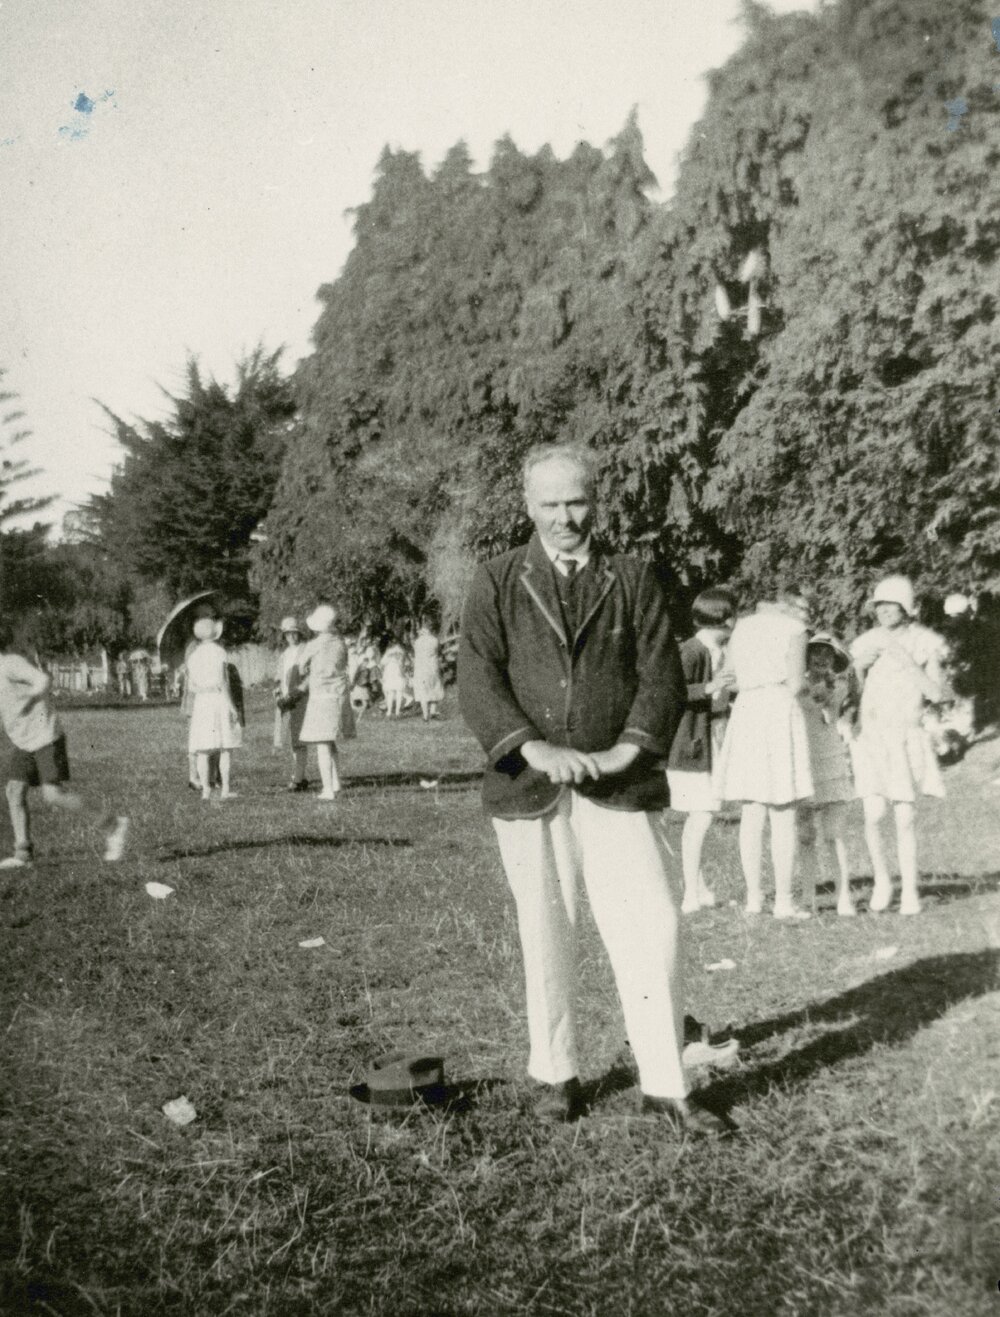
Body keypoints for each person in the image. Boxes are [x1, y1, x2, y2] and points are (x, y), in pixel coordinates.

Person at [459, 442, 732, 1135]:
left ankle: (665, 1082)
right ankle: (556, 1073)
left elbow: (661, 677)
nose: (564, 517)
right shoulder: (496, 579)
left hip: (621, 782)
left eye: (576, 501)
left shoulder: (634, 577)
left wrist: (623, 752)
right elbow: (479, 679)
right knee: (545, 928)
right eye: (549, 503)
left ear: (595, 502)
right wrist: (535, 748)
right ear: (528, 506)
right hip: (528, 783)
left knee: (653, 924)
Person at [714, 588, 815, 919]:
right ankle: (783, 901)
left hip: (747, 709)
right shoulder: (794, 629)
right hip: (778, 708)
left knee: (752, 810)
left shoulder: (741, 627)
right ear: (785, 603)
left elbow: (728, 679)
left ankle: (754, 899)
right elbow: (797, 683)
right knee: (782, 809)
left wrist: (751, 680)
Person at [849, 575, 946, 915]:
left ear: (907, 608)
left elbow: (936, 693)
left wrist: (904, 659)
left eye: (891, 605)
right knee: (873, 813)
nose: (885, 611)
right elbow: (849, 695)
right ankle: (882, 881)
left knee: (905, 816)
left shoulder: (925, 642)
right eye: (879, 606)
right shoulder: (865, 642)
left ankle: (910, 891)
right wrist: (858, 669)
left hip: (906, 735)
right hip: (872, 736)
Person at [0, 625, 129, 868]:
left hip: (45, 735)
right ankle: (23, 854)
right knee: (14, 791)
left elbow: (42, 680)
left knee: (53, 795)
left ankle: (112, 825)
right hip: (23, 740)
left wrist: (28, 700)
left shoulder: (9, 664)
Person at [665, 587, 738, 914]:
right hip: (691, 745)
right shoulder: (692, 650)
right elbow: (671, 691)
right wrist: (709, 687)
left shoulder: (720, 650)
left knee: (704, 815)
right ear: (724, 618)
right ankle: (690, 894)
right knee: (702, 816)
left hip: (713, 738)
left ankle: (700, 888)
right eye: (734, 615)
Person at [798, 632, 857, 917]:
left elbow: (828, 709)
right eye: (816, 653)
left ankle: (844, 896)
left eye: (828, 655)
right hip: (803, 762)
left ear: (835, 660)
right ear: (805, 657)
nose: (821, 659)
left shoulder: (839, 685)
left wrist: (826, 691)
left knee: (835, 834)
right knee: (805, 835)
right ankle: (807, 898)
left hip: (831, 762)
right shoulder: (795, 686)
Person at [298, 604, 355, 801]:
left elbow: (301, 666)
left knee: (322, 743)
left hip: (321, 696)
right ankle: (336, 782)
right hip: (338, 695)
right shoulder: (340, 643)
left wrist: (309, 669)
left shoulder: (314, 645)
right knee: (330, 741)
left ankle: (328, 789)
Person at [186, 617, 242, 801]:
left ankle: (206, 790)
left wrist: (203, 690)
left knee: (203, 749)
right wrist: (232, 707)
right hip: (218, 699)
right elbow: (224, 682)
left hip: (202, 702)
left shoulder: (193, 656)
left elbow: (191, 686)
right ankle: (225, 790)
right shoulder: (219, 652)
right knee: (225, 747)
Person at [273, 616, 309, 791]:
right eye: (288, 634)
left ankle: (298, 778)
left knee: (300, 738)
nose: (291, 637)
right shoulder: (284, 654)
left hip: (301, 697)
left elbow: (309, 676)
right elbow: (278, 677)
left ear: (299, 634)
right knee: (292, 739)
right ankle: (300, 775)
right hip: (286, 699)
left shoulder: (306, 650)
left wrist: (297, 693)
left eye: (294, 633)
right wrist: (278, 693)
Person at [412, 618, 445, 721]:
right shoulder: (435, 640)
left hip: (421, 668)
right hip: (432, 667)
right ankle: (433, 711)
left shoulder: (417, 642)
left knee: (423, 690)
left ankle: (425, 715)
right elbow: (439, 652)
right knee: (435, 687)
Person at [380, 637, 407, 718]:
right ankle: (397, 711)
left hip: (389, 673)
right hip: (399, 673)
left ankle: (389, 711)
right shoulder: (402, 652)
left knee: (390, 693)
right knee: (399, 693)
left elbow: (382, 663)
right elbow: (405, 663)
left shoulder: (388, 652)